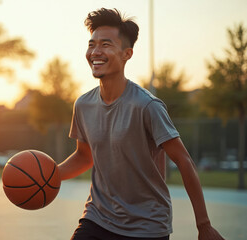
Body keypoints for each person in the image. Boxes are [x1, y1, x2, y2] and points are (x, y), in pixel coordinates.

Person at [58, 8, 225, 240]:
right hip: (98, 217)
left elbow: (184, 160)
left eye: (106, 45)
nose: (96, 51)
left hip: (146, 225)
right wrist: (51, 175)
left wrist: (204, 225)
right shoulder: (83, 105)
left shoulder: (147, 106)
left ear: (127, 54)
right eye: (91, 44)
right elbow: (85, 156)